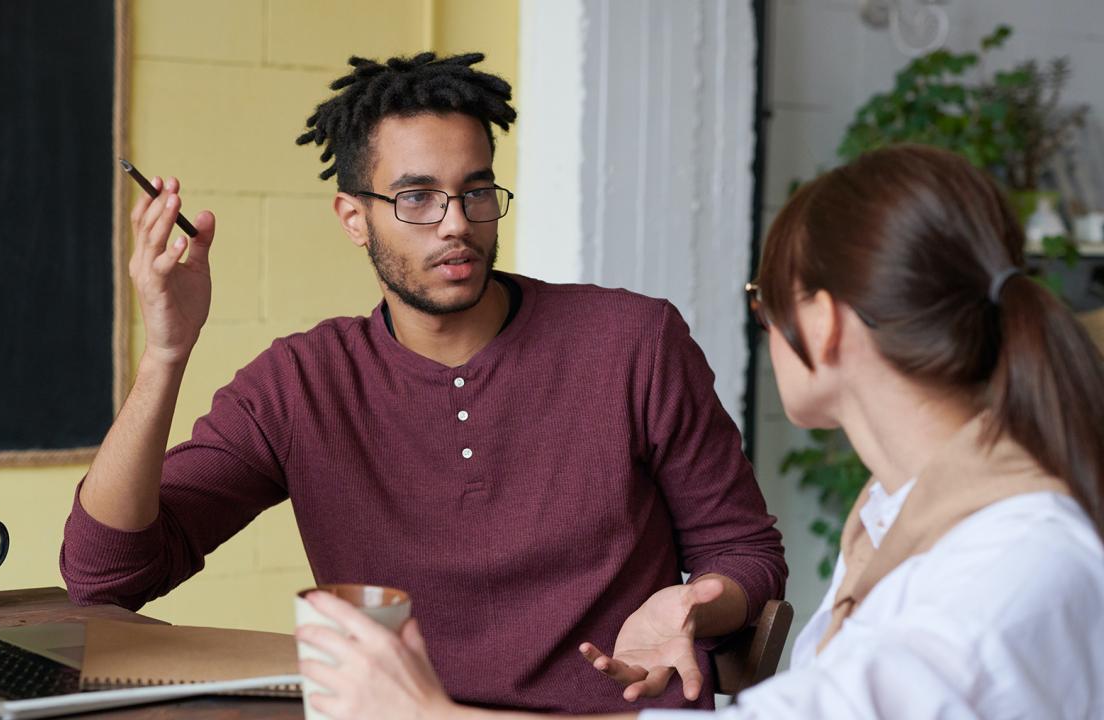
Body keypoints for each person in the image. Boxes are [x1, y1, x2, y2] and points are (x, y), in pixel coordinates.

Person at [59, 52, 786, 714]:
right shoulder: (301, 382)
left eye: (475, 192)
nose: (455, 225)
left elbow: (747, 553)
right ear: (354, 218)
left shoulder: (632, 341)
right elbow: (108, 575)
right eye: (416, 198)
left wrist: (689, 609)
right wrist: (166, 354)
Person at [295, 144, 1104, 719]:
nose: (453, 226)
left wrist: (425, 714)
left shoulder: (1013, 563)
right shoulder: (901, 515)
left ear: (821, 325)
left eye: (763, 300)